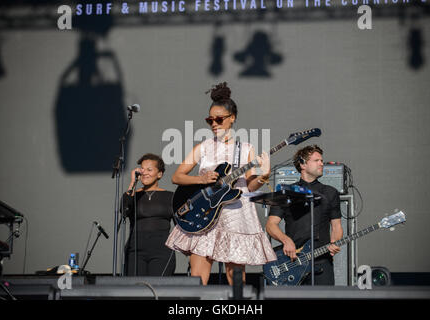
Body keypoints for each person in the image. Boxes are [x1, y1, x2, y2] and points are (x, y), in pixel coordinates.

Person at [165, 82, 276, 285]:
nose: (214, 124)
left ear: (232, 118)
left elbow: (249, 187)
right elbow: (177, 176)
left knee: (237, 279)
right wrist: (201, 179)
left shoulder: (246, 149)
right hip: (205, 213)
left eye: (219, 119)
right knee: (199, 277)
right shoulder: (204, 147)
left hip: (235, 214)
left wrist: (264, 175)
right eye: (210, 120)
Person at [266, 145, 343, 285]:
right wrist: (286, 240)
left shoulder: (330, 192)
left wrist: (335, 242)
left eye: (321, 160)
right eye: (316, 160)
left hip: (322, 260)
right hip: (292, 261)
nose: (321, 163)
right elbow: (271, 225)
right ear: (302, 164)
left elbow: (337, 226)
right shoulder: (286, 192)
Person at [121, 153, 176, 276]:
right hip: (135, 250)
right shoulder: (132, 195)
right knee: (135, 290)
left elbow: (179, 225)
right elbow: (123, 210)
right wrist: (132, 183)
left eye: (149, 169)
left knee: (158, 290)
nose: (144, 173)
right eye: (142, 169)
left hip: (162, 250)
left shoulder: (170, 196)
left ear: (159, 174)